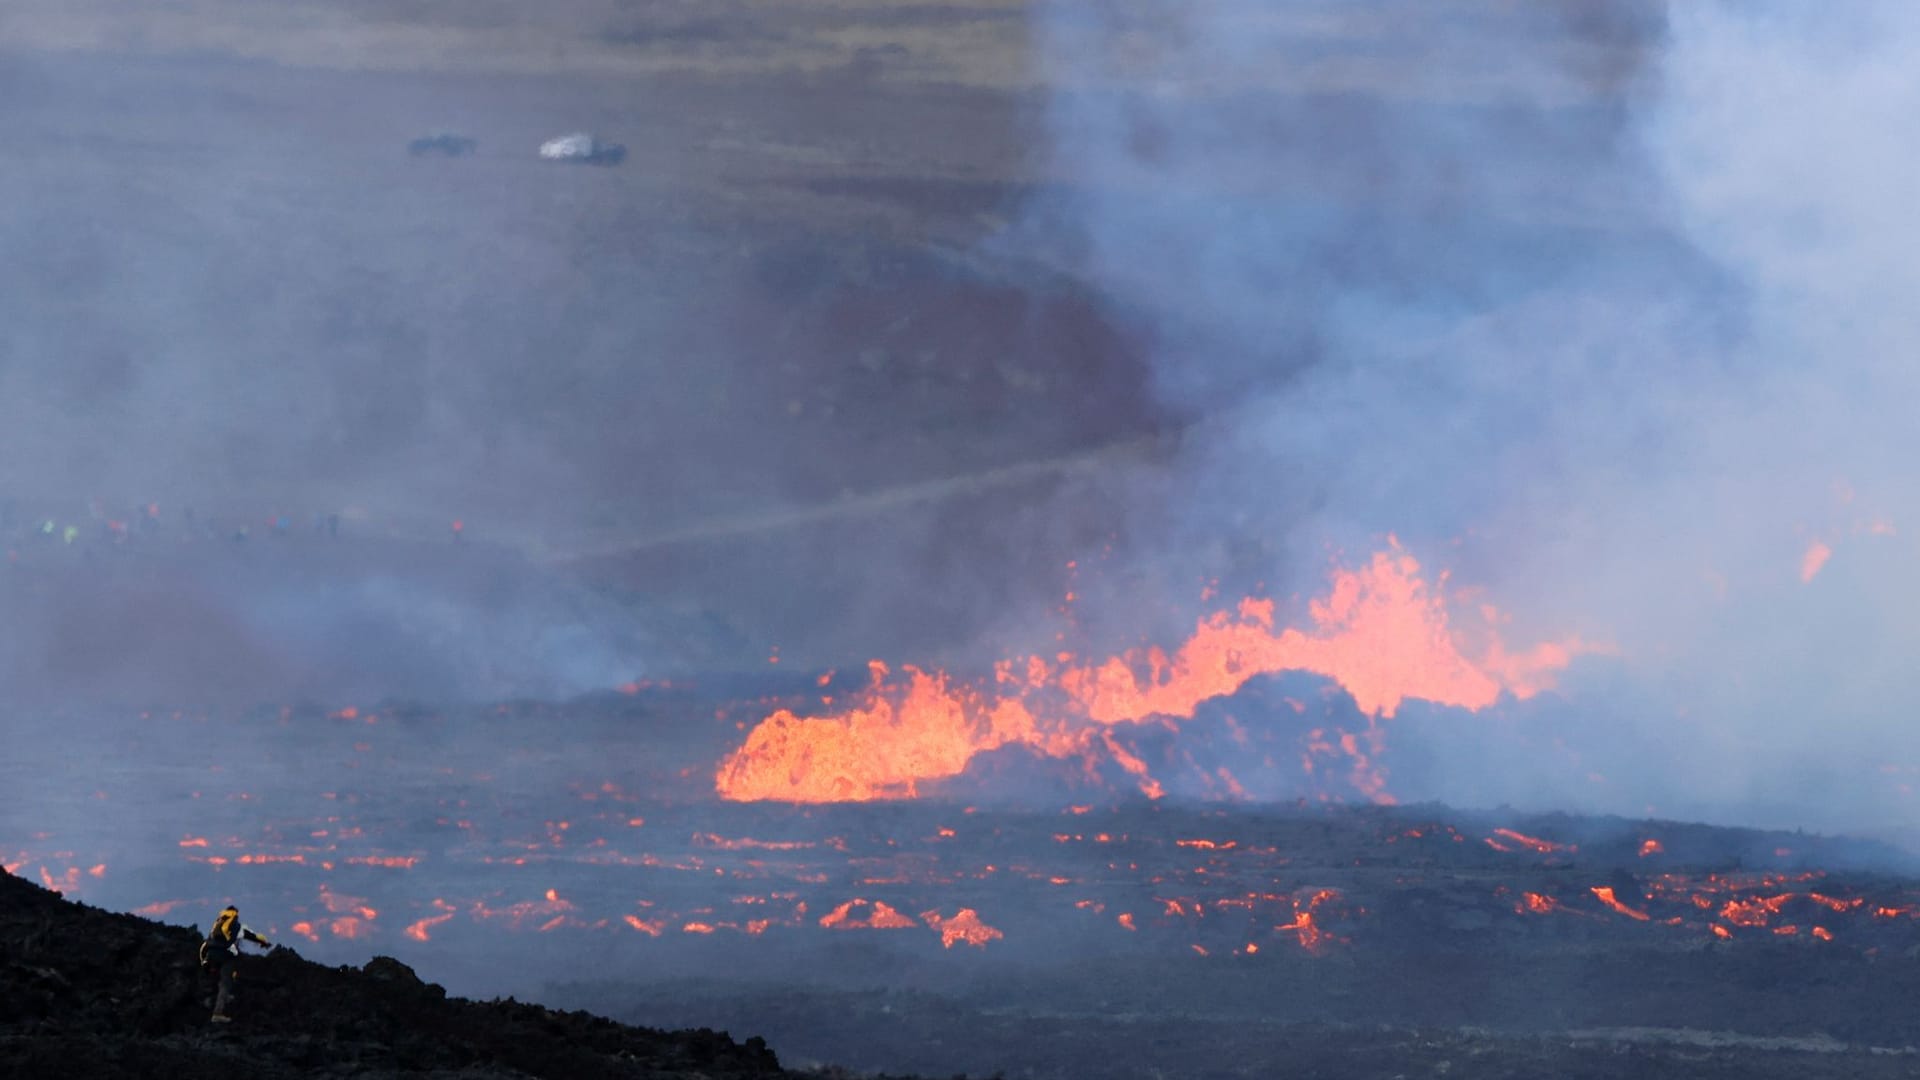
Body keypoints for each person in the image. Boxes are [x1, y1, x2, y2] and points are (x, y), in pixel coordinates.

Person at [199, 905, 273, 1023]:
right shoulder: (235, 925)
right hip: (226, 957)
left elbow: (209, 941)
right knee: (226, 981)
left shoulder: (218, 923)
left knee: (215, 977)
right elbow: (251, 936)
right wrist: (264, 943)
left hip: (211, 955)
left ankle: (212, 1000)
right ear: (236, 914)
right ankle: (217, 1013)